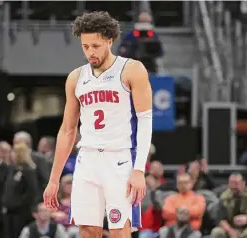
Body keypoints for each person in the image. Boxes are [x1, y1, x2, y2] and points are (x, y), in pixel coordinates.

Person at [43, 11, 153, 238]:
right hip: (87, 159)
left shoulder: (131, 69)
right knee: (87, 230)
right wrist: (54, 180)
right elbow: (67, 129)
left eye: (95, 45)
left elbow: (145, 120)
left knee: (119, 231)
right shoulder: (76, 77)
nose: (90, 52)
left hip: (119, 158)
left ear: (109, 40)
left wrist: (139, 169)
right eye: (85, 46)